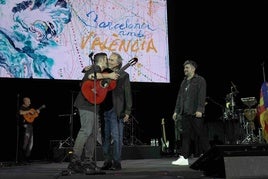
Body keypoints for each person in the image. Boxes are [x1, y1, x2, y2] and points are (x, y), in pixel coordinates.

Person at [67, 52, 120, 174]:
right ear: (102, 60)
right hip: (86, 104)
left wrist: (110, 76)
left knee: (93, 133)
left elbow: (107, 86)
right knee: (86, 131)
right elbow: (90, 76)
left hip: (94, 106)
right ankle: (74, 161)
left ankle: (88, 162)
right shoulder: (95, 68)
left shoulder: (102, 71)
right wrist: (109, 76)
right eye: (107, 59)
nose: (108, 61)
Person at [171, 60, 210, 166]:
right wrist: (176, 111)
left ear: (193, 68)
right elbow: (179, 98)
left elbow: (202, 96)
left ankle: (210, 156)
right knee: (186, 136)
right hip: (185, 113)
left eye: (187, 67)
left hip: (195, 113)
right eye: (184, 68)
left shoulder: (200, 80)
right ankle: (184, 157)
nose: (185, 70)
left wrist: (200, 109)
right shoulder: (184, 82)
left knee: (201, 135)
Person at [100, 52, 133, 170]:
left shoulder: (124, 75)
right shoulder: (105, 73)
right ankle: (107, 161)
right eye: (109, 59)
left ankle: (117, 162)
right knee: (105, 137)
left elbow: (127, 94)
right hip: (104, 109)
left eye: (112, 60)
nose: (109, 60)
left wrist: (128, 111)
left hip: (116, 109)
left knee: (116, 136)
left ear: (118, 63)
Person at [18, 97, 43, 163]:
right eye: (28, 101)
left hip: (30, 126)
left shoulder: (30, 108)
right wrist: (29, 111)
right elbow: (20, 113)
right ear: (25, 101)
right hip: (25, 126)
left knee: (30, 144)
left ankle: (27, 158)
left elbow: (33, 116)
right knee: (24, 143)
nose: (30, 103)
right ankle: (21, 159)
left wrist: (37, 112)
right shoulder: (22, 107)